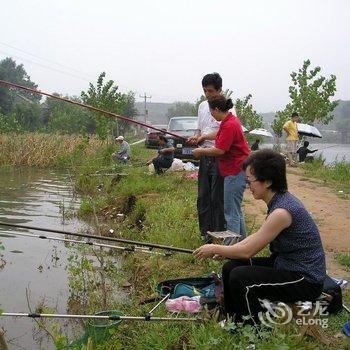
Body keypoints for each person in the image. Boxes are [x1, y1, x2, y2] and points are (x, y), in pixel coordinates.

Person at [193, 149, 326, 324]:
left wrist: (215, 247)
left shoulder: (282, 211)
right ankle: (232, 318)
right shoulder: (279, 200)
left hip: (305, 279)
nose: (248, 186)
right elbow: (256, 237)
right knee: (229, 268)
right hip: (285, 265)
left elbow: (248, 251)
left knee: (240, 277)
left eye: (250, 181)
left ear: (268, 181)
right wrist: (228, 251)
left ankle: (252, 330)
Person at [192, 96, 250, 240]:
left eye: (211, 112)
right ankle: (243, 244)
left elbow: (219, 150)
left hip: (235, 172)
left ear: (217, 109)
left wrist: (200, 151)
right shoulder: (228, 121)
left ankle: (231, 249)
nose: (211, 116)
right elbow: (218, 134)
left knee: (230, 213)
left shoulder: (229, 124)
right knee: (236, 212)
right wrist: (202, 138)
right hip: (237, 171)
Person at [187, 73, 227, 240]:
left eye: (211, 91)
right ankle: (205, 234)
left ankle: (219, 234)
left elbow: (226, 131)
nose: (208, 94)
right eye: (205, 91)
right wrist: (196, 138)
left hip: (219, 156)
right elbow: (199, 129)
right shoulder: (203, 106)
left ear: (219, 90)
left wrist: (204, 137)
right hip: (204, 155)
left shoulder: (227, 106)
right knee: (203, 196)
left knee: (217, 198)